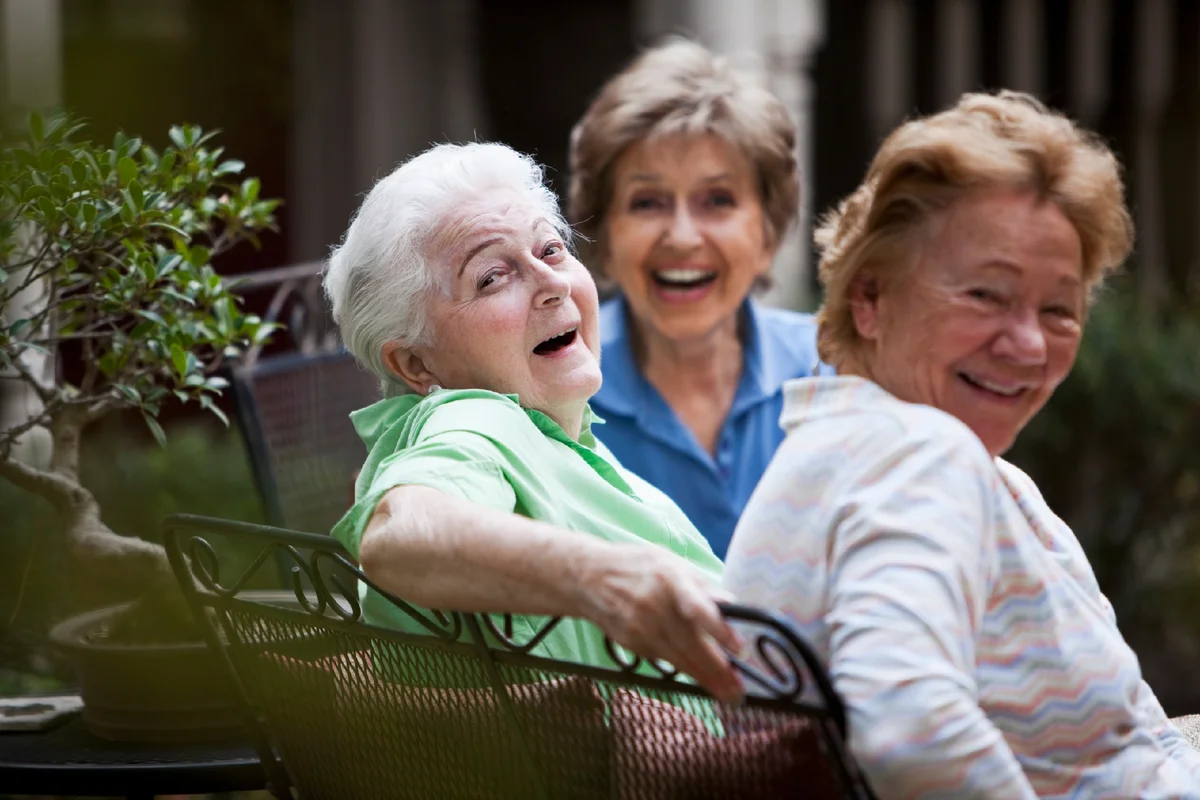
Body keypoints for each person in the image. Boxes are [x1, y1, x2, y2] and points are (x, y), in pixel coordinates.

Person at [722, 91, 1200, 796]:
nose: (1030, 343)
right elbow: (909, 728)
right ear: (870, 299)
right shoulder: (916, 455)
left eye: (1059, 309)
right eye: (985, 295)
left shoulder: (848, 446)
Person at [322, 141, 742, 703]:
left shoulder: (564, 440)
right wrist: (601, 579)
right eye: (492, 277)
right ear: (416, 363)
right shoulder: (474, 420)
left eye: (552, 248)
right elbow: (401, 533)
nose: (554, 283)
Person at [568, 39, 827, 558]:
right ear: (606, 237)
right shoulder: (554, 392)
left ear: (768, 233)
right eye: (648, 202)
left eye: (717, 200)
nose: (683, 236)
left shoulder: (838, 372)